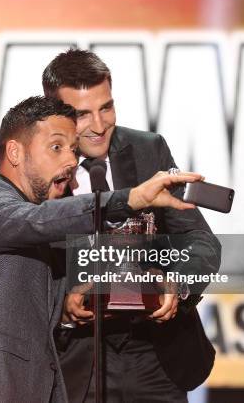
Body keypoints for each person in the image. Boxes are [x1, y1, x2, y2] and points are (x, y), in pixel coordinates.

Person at [0, 95, 204, 403]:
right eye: (57, 147)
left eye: (74, 150)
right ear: (14, 152)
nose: (72, 161)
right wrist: (129, 199)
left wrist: (68, 307)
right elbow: (36, 221)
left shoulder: (41, 229)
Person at [43, 49, 222, 403]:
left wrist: (175, 285)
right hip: (76, 361)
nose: (98, 125)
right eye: (82, 114)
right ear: (55, 116)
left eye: (106, 108)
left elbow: (201, 242)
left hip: (156, 355)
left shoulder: (148, 150)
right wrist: (61, 306)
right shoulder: (38, 166)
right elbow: (21, 265)